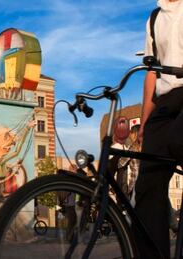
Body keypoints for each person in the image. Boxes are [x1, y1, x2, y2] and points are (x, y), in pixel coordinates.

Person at [134, 0, 183, 258]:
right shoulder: (154, 19)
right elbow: (151, 73)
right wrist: (144, 124)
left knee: (178, 138)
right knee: (147, 184)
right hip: (165, 101)